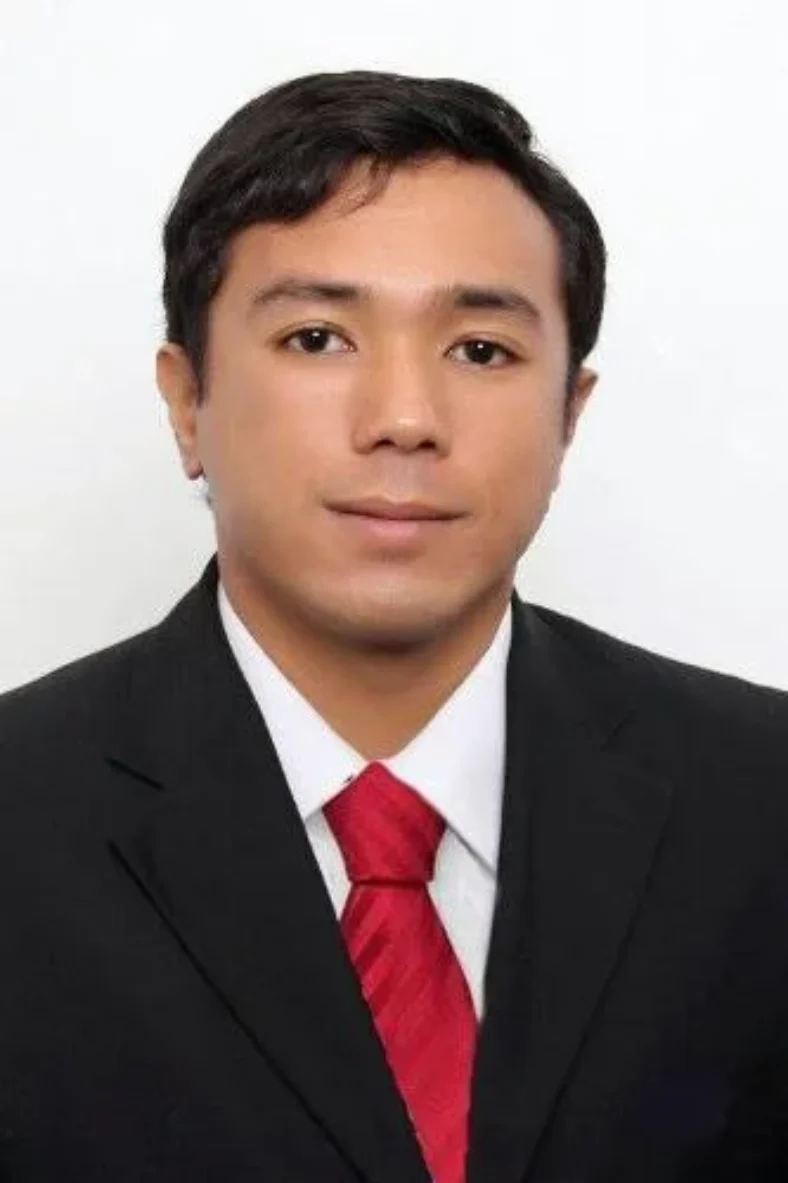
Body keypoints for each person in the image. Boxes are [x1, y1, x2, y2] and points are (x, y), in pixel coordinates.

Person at [1, 68, 787, 1183]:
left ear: (569, 414)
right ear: (186, 402)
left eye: (480, 350)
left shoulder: (759, 801)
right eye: (318, 337)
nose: (405, 419)